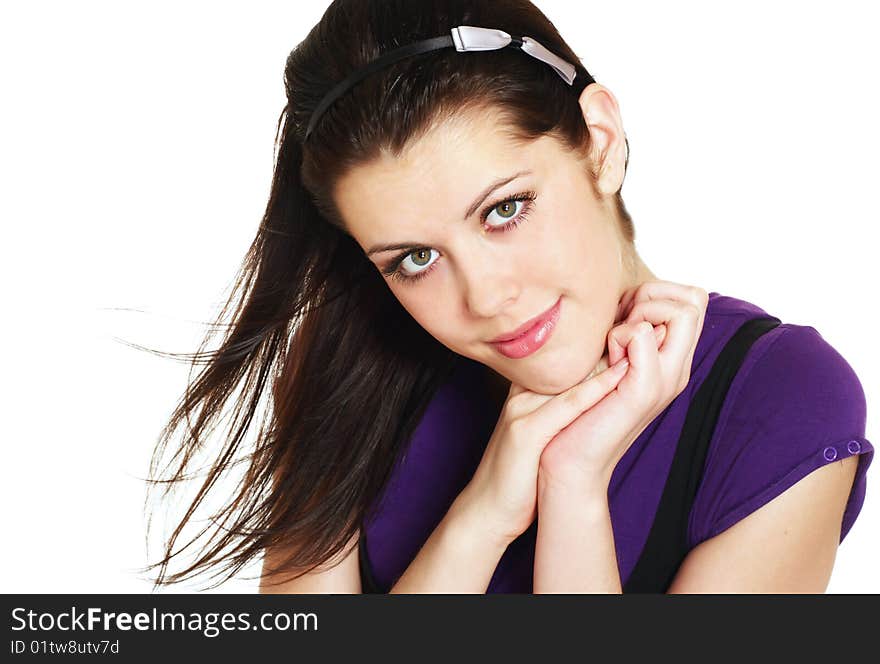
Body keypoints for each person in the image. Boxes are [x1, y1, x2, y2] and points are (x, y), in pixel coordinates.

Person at [142, 0, 873, 593]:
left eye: (504, 210)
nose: (487, 298)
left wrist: (573, 485)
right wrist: (484, 514)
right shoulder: (345, 362)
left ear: (600, 140)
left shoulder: (782, 399)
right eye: (415, 259)